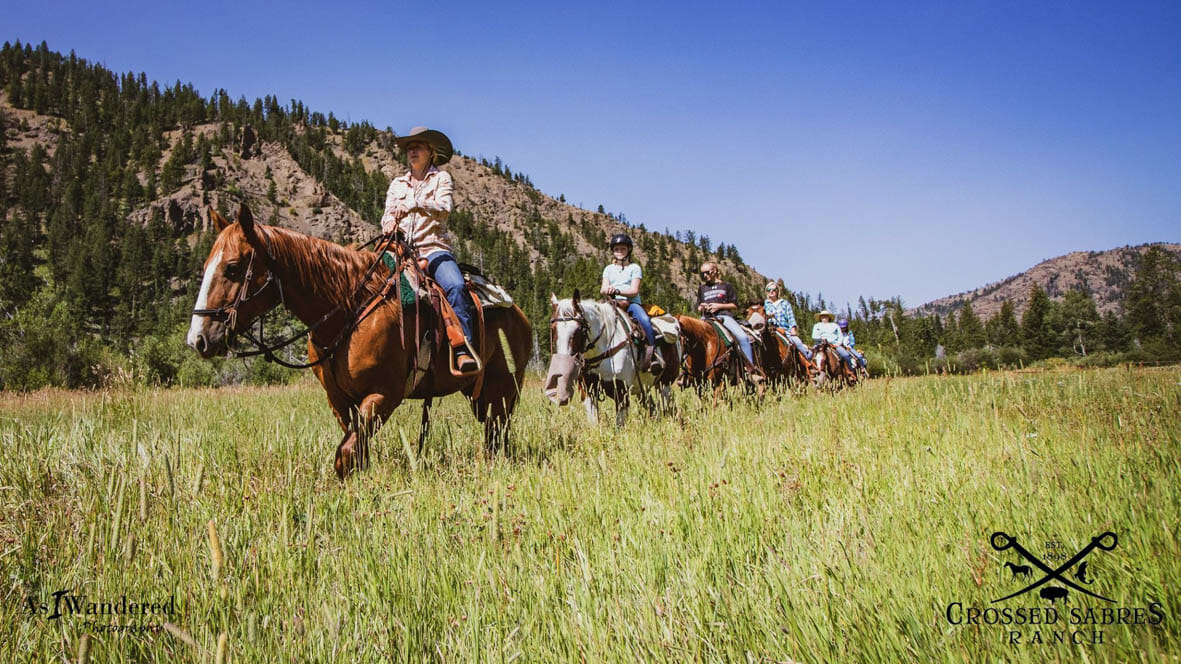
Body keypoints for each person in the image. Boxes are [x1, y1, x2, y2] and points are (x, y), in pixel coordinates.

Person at [380, 126, 478, 373]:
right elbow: (387, 215)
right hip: (400, 250)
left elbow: (444, 207)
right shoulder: (397, 184)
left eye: (418, 147)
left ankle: (463, 348)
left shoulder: (441, 179)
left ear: (431, 152)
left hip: (433, 248)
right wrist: (389, 223)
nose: (412, 151)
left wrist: (415, 204)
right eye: (409, 148)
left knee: (454, 286)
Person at [600, 233, 663, 372]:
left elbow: (634, 291)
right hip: (611, 303)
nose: (619, 252)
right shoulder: (608, 269)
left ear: (628, 250)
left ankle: (653, 356)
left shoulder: (635, 268)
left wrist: (617, 291)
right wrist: (608, 290)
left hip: (632, 304)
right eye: (617, 249)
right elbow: (603, 289)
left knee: (645, 321)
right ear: (613, 251)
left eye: (623, 249)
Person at [696, 262, 760, 377]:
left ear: (715, 271)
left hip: (724, 317)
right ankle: (689, 372)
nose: (705, 275)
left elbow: (734, 305)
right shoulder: (702, 288)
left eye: (707, 272)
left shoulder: (726, 286)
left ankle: (750, 369)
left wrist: (718, 306)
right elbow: (698, 306)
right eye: (702, 273)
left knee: (743, 337)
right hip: (706, 318)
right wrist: (702, 307)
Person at [763, 281, 812, 360]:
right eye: (769, 289)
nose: (771, 291)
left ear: (777, 291)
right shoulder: (765, 304)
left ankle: (807, 363)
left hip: (784, 330)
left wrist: (793, 329)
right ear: (767, 292)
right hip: (769, 330)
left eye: (774, 289)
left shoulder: (785, 303)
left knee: (798, 342)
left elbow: (791, 318)